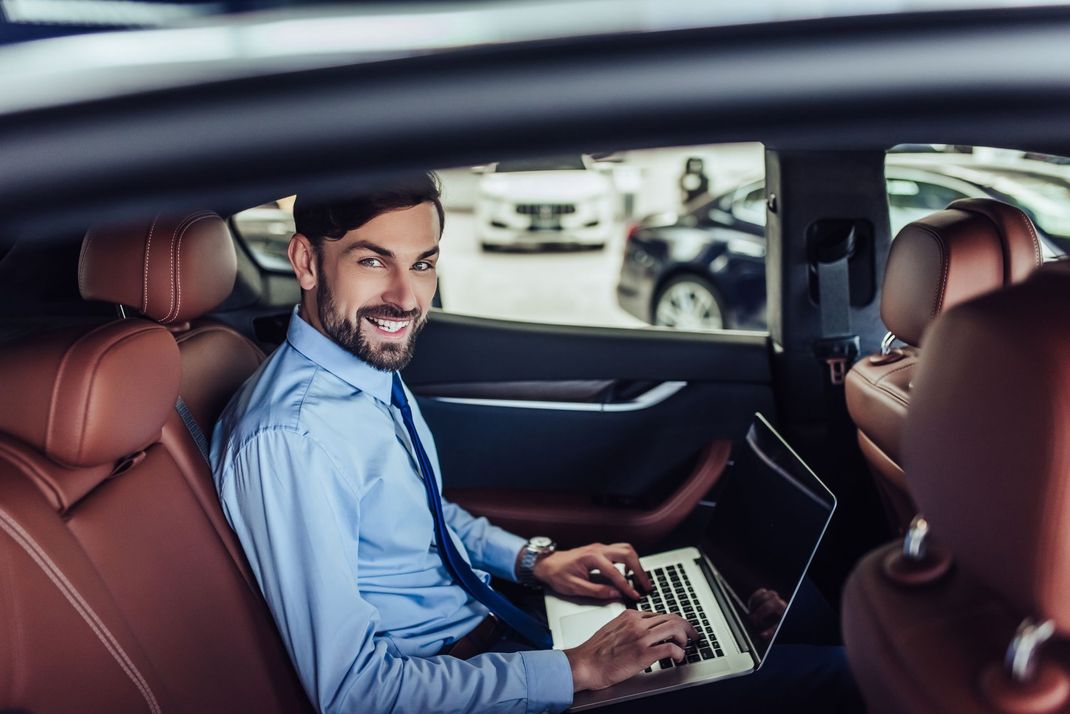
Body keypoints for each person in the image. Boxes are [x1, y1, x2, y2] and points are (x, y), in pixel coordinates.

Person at [212, 172, 860, 713]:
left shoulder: (360, 371)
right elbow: (355, 692)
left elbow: (424, 520)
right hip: (465, 682)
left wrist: (534, 563)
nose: (406, 296)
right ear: (304, 261)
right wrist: (574, 671)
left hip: (501, 634)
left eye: (424, 263)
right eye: (373, 260)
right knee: (847, 680)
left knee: (790, 615)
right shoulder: (291, 437)